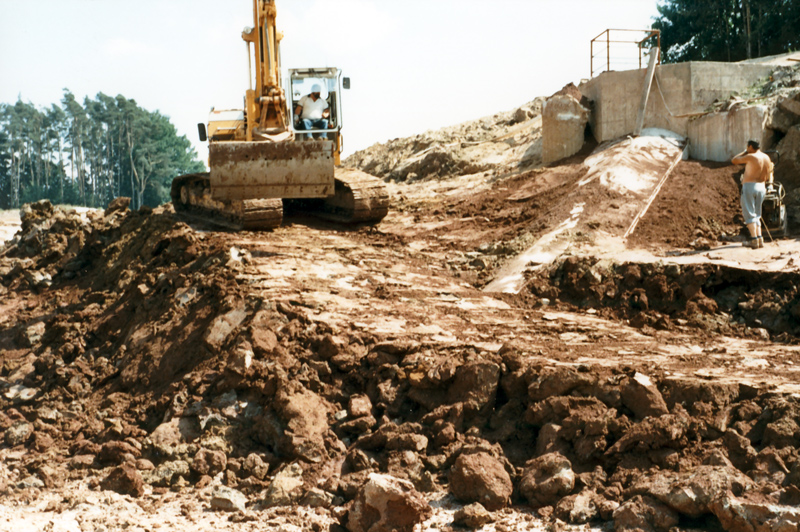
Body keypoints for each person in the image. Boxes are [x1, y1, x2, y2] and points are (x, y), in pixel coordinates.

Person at [731, 140, 773, 249]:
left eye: (747, 147)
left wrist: (745, 152)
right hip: (762, 187)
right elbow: (770, 172)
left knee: (749, 214)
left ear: (750, 146)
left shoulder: (751, 156)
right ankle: (759, 238)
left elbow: (734, 160)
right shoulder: (766, 157)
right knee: (757, 214)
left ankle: (754, 240)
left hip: (750, 186)